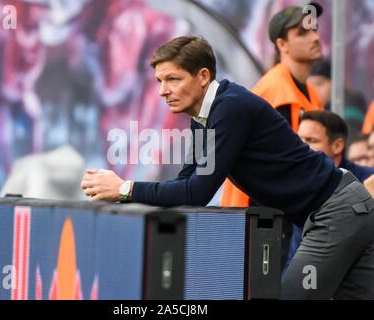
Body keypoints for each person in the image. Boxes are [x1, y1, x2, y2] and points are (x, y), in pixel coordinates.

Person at [81, 35, 374, 299]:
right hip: (342, 210)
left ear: (203, 77)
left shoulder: (231, 108)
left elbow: (196, 192)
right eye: (159, 81)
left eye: (172, 79)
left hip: (336, 212)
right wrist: (127, 191)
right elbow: (186, 181)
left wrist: (124, 189)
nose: (163, 91)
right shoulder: (204, 117)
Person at [220, 2, 323, 209]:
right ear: (281, 44)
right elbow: (273, 167)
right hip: (257, 213)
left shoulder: (310, 93)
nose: (315, 37)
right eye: (303, 32)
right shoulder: (276, 89)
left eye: (315, 29)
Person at [285, 111, 374, 271]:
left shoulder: (368, 181)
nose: (301, 146)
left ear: (337, 145)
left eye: (311, 140)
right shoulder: (300, 183)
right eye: (299, 140)